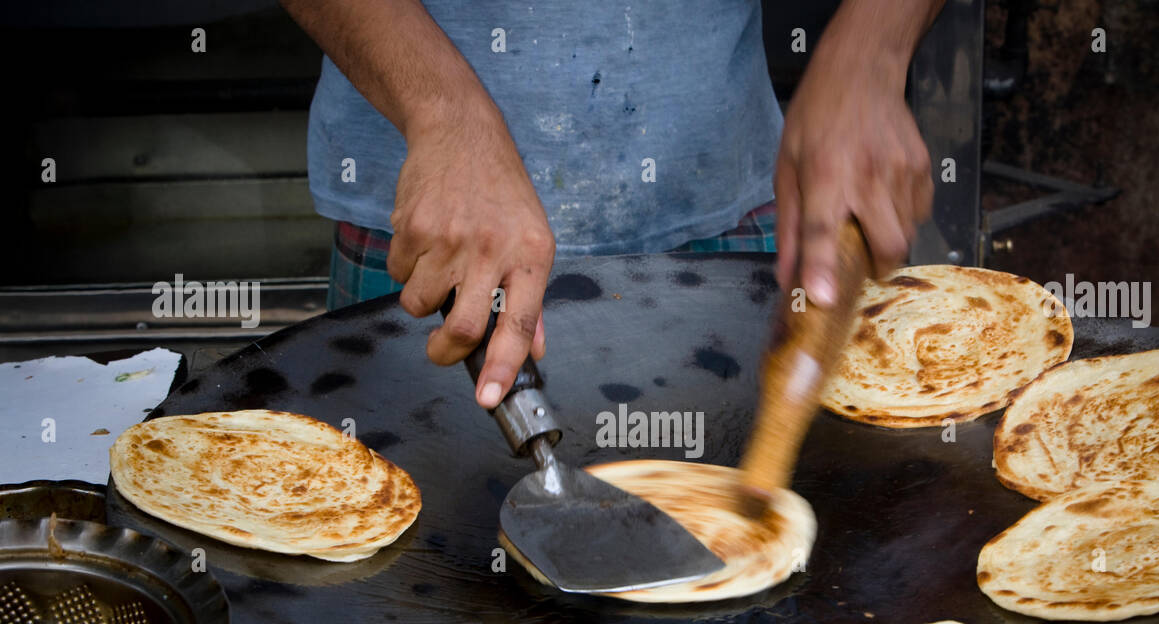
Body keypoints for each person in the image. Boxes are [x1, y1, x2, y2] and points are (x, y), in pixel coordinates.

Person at [281, 0, 942, 408]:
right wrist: (443, 113)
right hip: (433, 230)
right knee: (396, 590)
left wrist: (872, 47)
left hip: (722, 192)